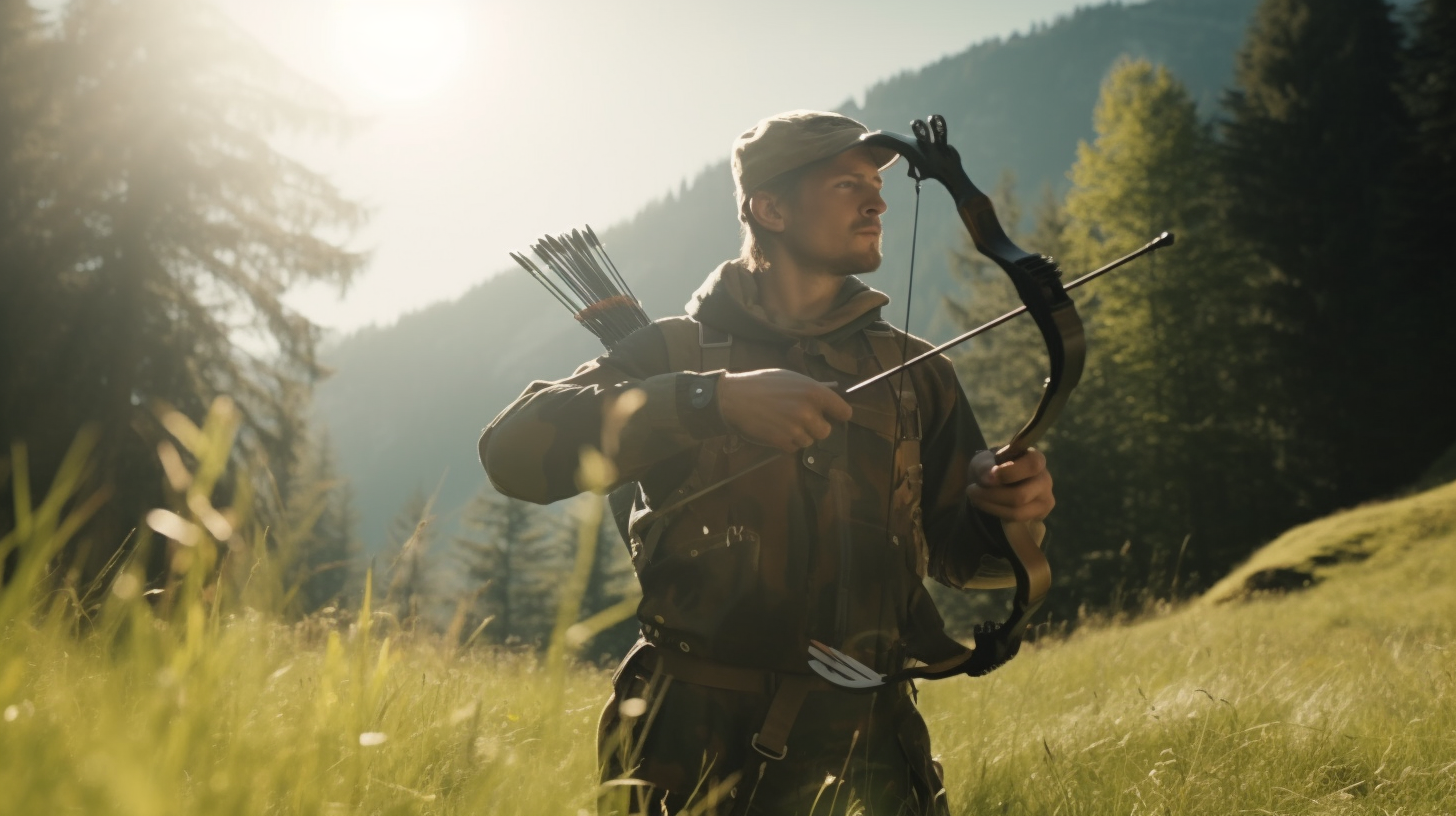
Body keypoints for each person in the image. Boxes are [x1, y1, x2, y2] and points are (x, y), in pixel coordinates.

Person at [479, 110, 1056, 816]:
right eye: (848, 183)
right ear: (770, 208)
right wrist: (707, 402)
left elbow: (971, 564)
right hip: (687, 747)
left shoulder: (915, 370)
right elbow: (512, 455)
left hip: (870, 748)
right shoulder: (672, 353)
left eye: (878, 183)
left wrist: (1009, 517)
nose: (876, 200)